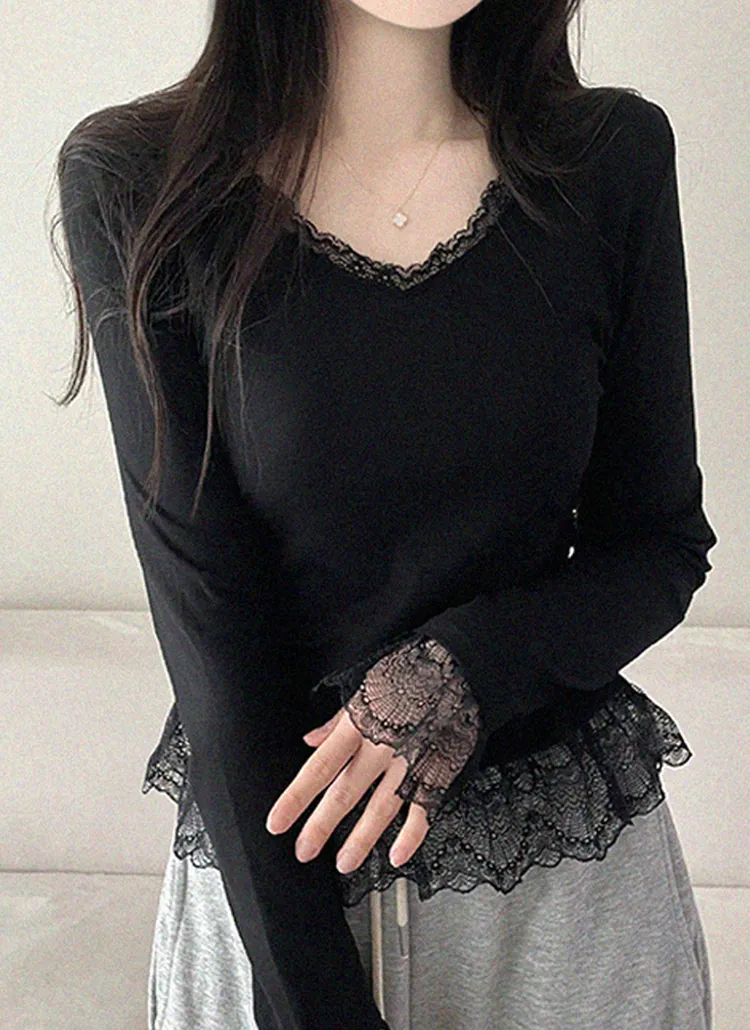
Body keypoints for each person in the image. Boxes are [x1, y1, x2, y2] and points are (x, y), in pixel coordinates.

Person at [55, 0, 717, 1027]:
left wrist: (464, 668)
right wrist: (313, 1004)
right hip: (275, 907)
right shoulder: (139, 181)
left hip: (567, 913)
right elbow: (211, 628)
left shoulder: (609, 160)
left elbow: (658, 544)